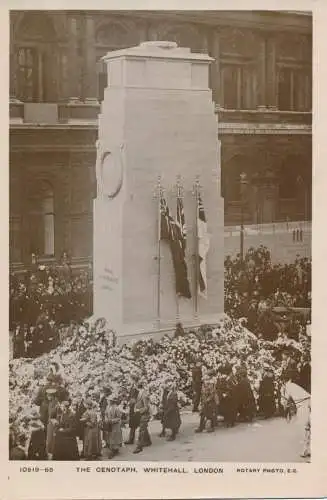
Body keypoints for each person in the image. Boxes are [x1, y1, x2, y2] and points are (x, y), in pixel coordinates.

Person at [133, 383, 152, 454]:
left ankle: (139, 447)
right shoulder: (140, 393)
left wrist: (138, 410)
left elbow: (146, 407)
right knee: (143, 428)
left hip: (145, 415)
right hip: (141, 414)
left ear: (136, 385)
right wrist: (135, 407)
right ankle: (148, 441)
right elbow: (138, 403)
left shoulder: (144, 394)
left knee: (141, 430)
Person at [45, 388, 60, 459]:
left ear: (52, 396)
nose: (47, 397)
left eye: (49, 395)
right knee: (49, 438)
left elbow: (54, 413)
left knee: (51, 438)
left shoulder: (56, 403)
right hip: (50, 422)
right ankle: (50, 452)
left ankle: (52, 452)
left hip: (53, 423)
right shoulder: (51, 402)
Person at [125, 379, 140, 445]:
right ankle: (131, 439)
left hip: (135, 409)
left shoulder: (136, 390)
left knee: (134, 425)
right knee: (133, 425)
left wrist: (128, 403)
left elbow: (134, 400)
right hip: (132, 409)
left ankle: (131, 439)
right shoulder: (132, 390)